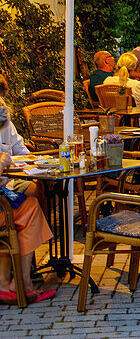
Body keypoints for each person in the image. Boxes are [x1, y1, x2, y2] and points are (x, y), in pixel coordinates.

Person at [0, 77, 56, 304]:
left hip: (5, 192)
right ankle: (20, 282)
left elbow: (19, 149)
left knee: (30, 201)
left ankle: (8, 283)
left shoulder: (5, 119)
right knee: (28, 208)